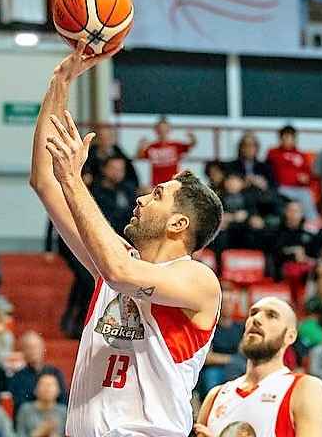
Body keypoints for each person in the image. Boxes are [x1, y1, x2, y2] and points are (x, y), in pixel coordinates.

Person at [31, 47, 226, 437]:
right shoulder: (115, 261)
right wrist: (60, 83)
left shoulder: (198, 280)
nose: (140, 198)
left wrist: (74, 179)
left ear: (179, 223)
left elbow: (120, 273)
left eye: (156, 195)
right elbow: (44, 181)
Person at [195, 298, 322, 437]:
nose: (256, 319)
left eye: (271, 315)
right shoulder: (215, 395)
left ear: (290, 336)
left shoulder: (304, 388)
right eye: (253, 313)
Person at [266, 125, 318, 220]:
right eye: (285, 137)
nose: (288, 140)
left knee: (306, 194)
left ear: (295, 139)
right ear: (281, 138)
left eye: (291, 138)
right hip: (281, 187)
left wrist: (306, 178)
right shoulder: (273, 153)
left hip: (299, 189)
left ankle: (313, 223)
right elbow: (268, 171)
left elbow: (309, 175)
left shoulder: (302, 155)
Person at [7, 332, 67, 412]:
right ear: (23, 351)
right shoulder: (17, 377)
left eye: (35, 347)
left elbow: (63, 399)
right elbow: (20, 405)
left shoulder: (55, 373)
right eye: (28, 347)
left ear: (43, 349)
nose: (33, 351)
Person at [136, 116, 196, 186]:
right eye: (160, 129)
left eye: (164, 128)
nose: (162, 131)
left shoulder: (175, 145)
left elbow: (191, 145)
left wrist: (192, 137)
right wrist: (141, 147)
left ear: (168, 129)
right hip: (157, 184)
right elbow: (139, 156)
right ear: (156, 130)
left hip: (173, 183)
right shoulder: (151, 147)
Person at [90, 156, 139, 234]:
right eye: (114, 169)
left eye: (121, 169)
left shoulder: (128, 188)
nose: (118, 173)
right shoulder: (95, 192)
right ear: (104, 169)